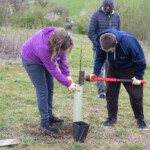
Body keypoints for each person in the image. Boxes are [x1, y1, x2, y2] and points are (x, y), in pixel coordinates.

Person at [22, 27, 79, 133]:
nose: (62, 51)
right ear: (56, 45)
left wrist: (67, 76)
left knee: (50, 88)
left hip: (45, 58)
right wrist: (68, 84)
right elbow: (53, 69)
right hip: (32, 60)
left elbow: (62, 60)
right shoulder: (43, 47)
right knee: (43, 91)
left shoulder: (62, 37)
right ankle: (44, 121)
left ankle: (49, 115)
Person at [90, 27, 148, 130]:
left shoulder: (129, 42)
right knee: (110, 93)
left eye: (109, 50)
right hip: (113, 68)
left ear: (115, 44)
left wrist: (138, 77)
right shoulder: (101, 41)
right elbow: (99, 58)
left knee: (136, 95)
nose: (107, 52)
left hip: (130, 68)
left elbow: (141, 60)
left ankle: (140, 119)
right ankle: (112, 118)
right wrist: (95, 73)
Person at [88, 0, 120, 99]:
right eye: (106, 5)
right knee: (99, 70)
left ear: (112, 6)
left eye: (109, 6)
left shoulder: (117, 16)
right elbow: (90, 32)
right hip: (99, 48)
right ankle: (101, 92)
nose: (107, 7)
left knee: (109, 70)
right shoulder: (96, 15)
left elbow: (118, 32)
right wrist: (99, 45)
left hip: (112, 50)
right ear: (103, 5)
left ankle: (108, 90)